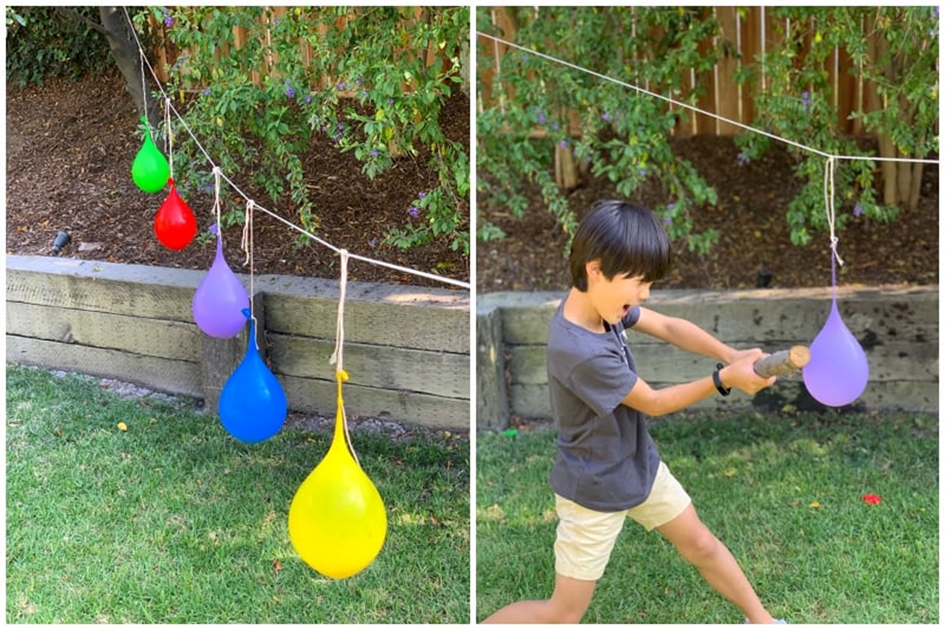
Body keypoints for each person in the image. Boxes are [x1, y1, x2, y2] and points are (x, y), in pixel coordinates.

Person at [482, 200, 785, 624]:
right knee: (563, 613)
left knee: (700, 544)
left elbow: (668, 326)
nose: (644, 294)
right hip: (594, 489)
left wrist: (730, 354)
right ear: (595, 269)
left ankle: (764, 622)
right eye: (639, 281)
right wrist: (725, 379)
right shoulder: (579, 350)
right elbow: (654, 402)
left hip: (638, 465)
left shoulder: (602, 307)